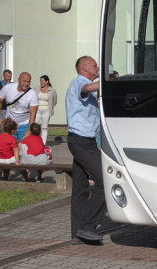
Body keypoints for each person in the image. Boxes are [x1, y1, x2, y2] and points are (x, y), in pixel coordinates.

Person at [66, 55, 106, 244]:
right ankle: (87, 226)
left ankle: (77, 233)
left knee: (80, 188)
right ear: (84, 68)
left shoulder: (86, 88)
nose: (97, 67)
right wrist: (107, 81)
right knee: (105, 181)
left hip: (85, 141)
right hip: (80, 141)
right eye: (94, 65)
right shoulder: (79, 83)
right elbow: (87, 88)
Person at [0, 72, 39, 141]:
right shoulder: (8, 88)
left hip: (24, 124)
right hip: (9, 124)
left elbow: (33, 115)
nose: (26, 84)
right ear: (18, 80)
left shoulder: (32, 94)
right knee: (8, 147)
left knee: (25, 147)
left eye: (28, 82)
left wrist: (29, 130)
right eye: (24, 81)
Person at [36, 75, 58, 144]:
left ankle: (43, 143)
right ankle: (34, 142)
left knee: (44, 127)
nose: (41, 82)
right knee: (35, 125)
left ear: (47, 81)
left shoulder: (52, 90)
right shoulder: (36, 88)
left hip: (46, 111)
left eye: (42, 81)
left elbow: (54, 101)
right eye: (40, 81)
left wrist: (50, 108)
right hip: (37, 110)